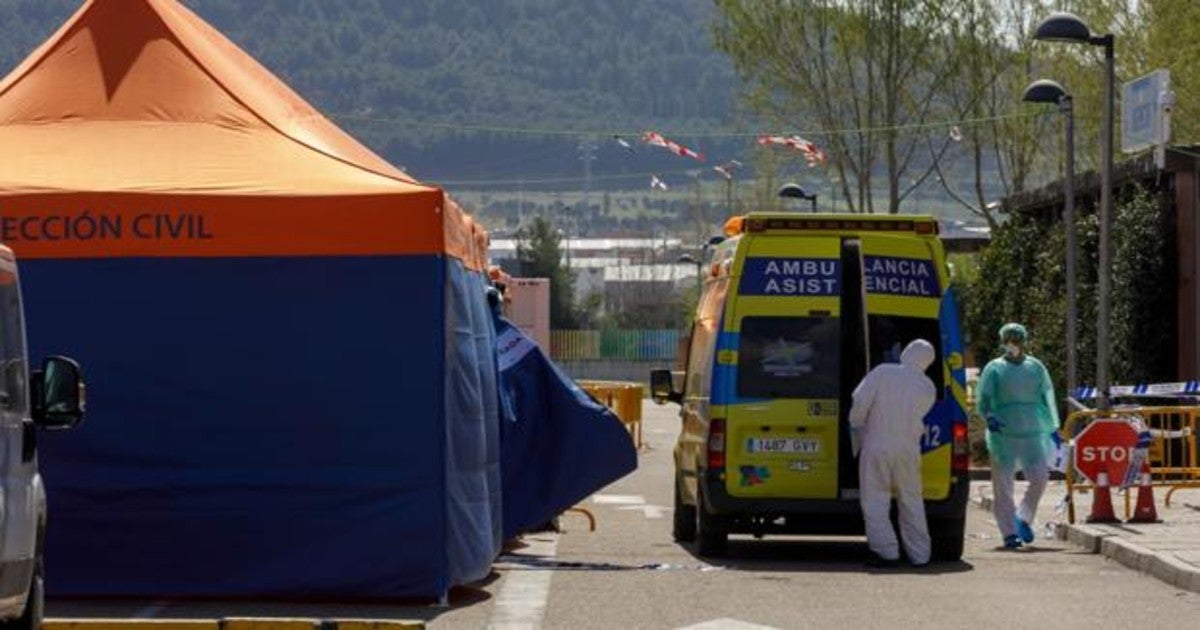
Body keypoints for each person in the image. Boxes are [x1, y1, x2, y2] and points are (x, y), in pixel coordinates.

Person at [848, 338, 938, 568]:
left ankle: (887, 552)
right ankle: (920, 554)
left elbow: (860, 401)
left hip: (876, 445)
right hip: (908, 450)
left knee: (876, 499)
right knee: (911, 500)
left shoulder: (883, 372)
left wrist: (855, 424)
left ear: (907, 352)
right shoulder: (928, 387)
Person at [975, 322, 1060, 549]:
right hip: (1003, 434)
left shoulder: (1036, 367)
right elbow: (983, 399)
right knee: (1003, 486)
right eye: (1009, 339)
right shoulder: (994, 368)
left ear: (1023, 341)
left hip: (1032, 432)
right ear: (1003, 342)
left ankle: (1023, 518)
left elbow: (1047, 395)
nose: (1013, 343)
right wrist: (989, 416)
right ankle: (1009, 533)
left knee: (1040, 478)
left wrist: (1053, 427)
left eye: (1016, 339)